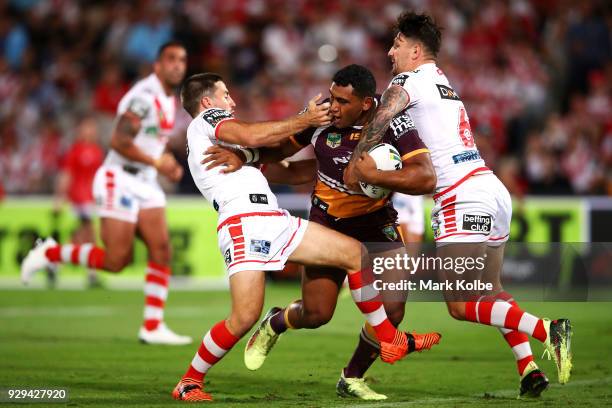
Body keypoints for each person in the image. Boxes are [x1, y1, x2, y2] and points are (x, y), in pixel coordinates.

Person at [343, 11, 573, 397]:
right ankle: (528, 366)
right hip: (490, 188)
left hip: (461, 196)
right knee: (491, 290)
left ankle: (549, 329)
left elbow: (381, 115)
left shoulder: (408, 81)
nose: (390, 52)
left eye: (397, 44)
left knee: (460, 304)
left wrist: (357, 161)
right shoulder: (442, 82)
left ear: (416, 51)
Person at [172, 72, 421, 402]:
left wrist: (342, 167)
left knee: (354, 254)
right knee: (245, 316)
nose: (231, 101)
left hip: (273, 218)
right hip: (243, 222)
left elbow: (283, 161)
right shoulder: (206, 120)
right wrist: (303, 119)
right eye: (225, 94)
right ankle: (189, 381)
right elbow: (252, 134)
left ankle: (389, 338)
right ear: (207, 102)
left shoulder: (226, 142)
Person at [21, 41, 192, 345]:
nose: (178, 65)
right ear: (157, 65)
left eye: (182, 60)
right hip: (120, 178)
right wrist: (157, 162)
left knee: (162, 248)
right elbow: (118, 141)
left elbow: (151, 140)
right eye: (171, 59)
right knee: (116, 261)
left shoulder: (169, 100)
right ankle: (48, 252)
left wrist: (165, 163)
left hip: (146, 181)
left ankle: (152, 325)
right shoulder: (144, 96)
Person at [53, 115, 105, 288]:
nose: (90, 131)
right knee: (87, 235)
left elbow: (98, 177)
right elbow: (66, 175)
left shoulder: (97, 151)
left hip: (90, 199)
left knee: (83, 237)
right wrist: (60, 198)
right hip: (78, 199)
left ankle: (56, 262)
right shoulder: (75, 151)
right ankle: (90, 273)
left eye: (92, 128)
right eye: (87, 127)